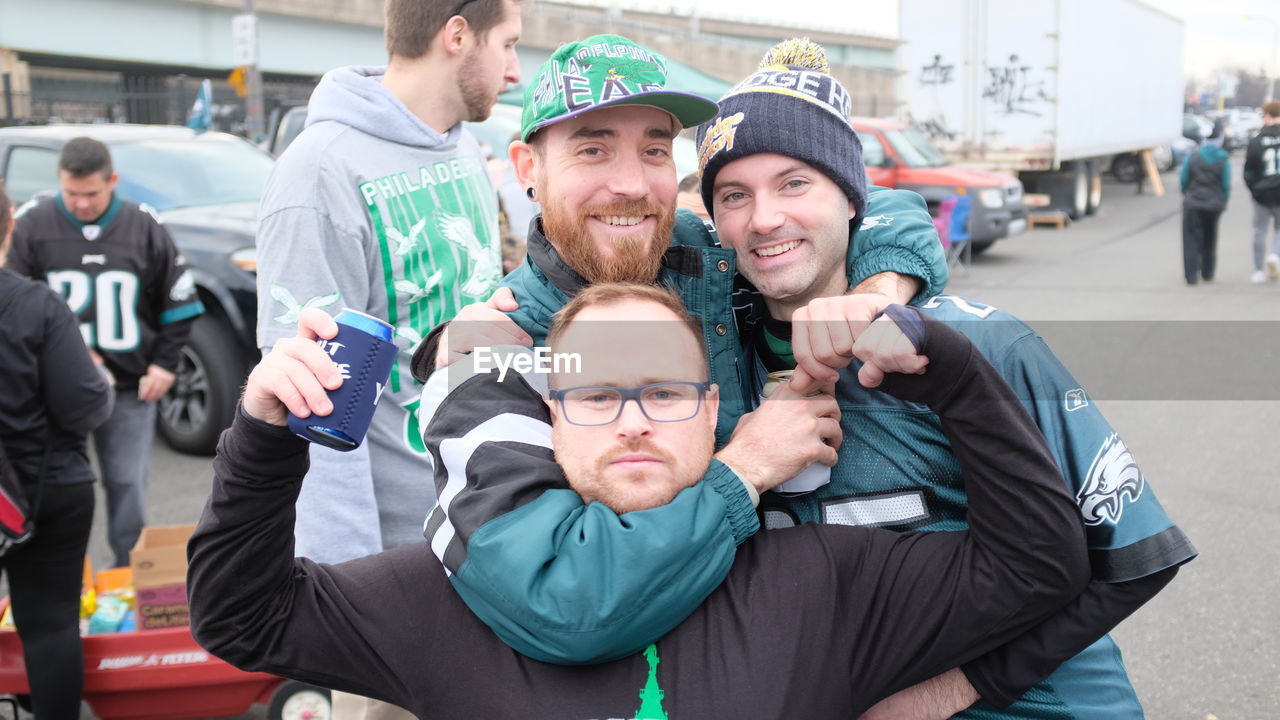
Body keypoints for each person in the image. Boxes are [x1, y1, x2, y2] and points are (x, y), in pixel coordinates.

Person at [189, 283, 1091, 718]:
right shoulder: (447, 594)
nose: (630, 421)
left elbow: (1037, 565)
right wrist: (266, 434)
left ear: (714, 415)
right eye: (596, 394)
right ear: (551, 419)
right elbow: (241, 617)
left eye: (662, 392)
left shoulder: (820, 580)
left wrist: (951, 369)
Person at [409, 33, 951, 663]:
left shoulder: (701, 255)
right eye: (593, 150)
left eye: (655, 150)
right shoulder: (499, 349)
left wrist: (877, 290)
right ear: (529, 170)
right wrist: (745, 468)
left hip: (796, 652)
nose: (631, 184)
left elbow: (863, 204)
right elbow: (556, 596)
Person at [695, 39, 1195, 719]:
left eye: (794, 183)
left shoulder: (979, 340)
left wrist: (949, 692)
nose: (765, 218)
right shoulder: (712, 374)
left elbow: (1136, 555)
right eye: (734, 195)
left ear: (850, 199)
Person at [251, 1, 521, 715]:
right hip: (394, 578)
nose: (516, 69)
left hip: (490, 534)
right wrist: (349, 593)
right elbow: (310, 410)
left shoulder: (461, 144)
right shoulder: (318, 173)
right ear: (456, 35)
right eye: (509, 45)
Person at [7, 137, 203, 568]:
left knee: (126, 483)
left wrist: (164, 365)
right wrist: (66, 357)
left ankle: (129, 571)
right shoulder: (33, 224)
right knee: (44, 483)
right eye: (71, 193)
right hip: (52, 391)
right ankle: (49, 574)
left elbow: (179, 301)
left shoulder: (142, 225)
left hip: (129, 387)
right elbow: (13, 304)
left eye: (91, 193)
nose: (80, 203)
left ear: (112, 181)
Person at [0, 182, 115, 720]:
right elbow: (84, 407)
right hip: (45, 487)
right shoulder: (36, 306)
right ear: (8, 228)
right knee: (49, 625)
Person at [1180, 118, 1230, 285]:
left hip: (1193, 203)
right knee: (1210, 237)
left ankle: (1191, 275)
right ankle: (1208, 272)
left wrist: (1186, 193)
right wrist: (1223, 200)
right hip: (1214, 204)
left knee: (1191, 238)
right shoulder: (1223, 158)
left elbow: (1184, 178)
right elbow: (1226, 183)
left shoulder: (1193, 156)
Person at [1243, 100, 1280, 284]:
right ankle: (1275, 254)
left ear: (1266, 115)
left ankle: (1258, 270)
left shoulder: (1256, 141)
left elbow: (1248, 171)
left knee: (1259, 231)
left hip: (1262, 193)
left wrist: (1254, 190)